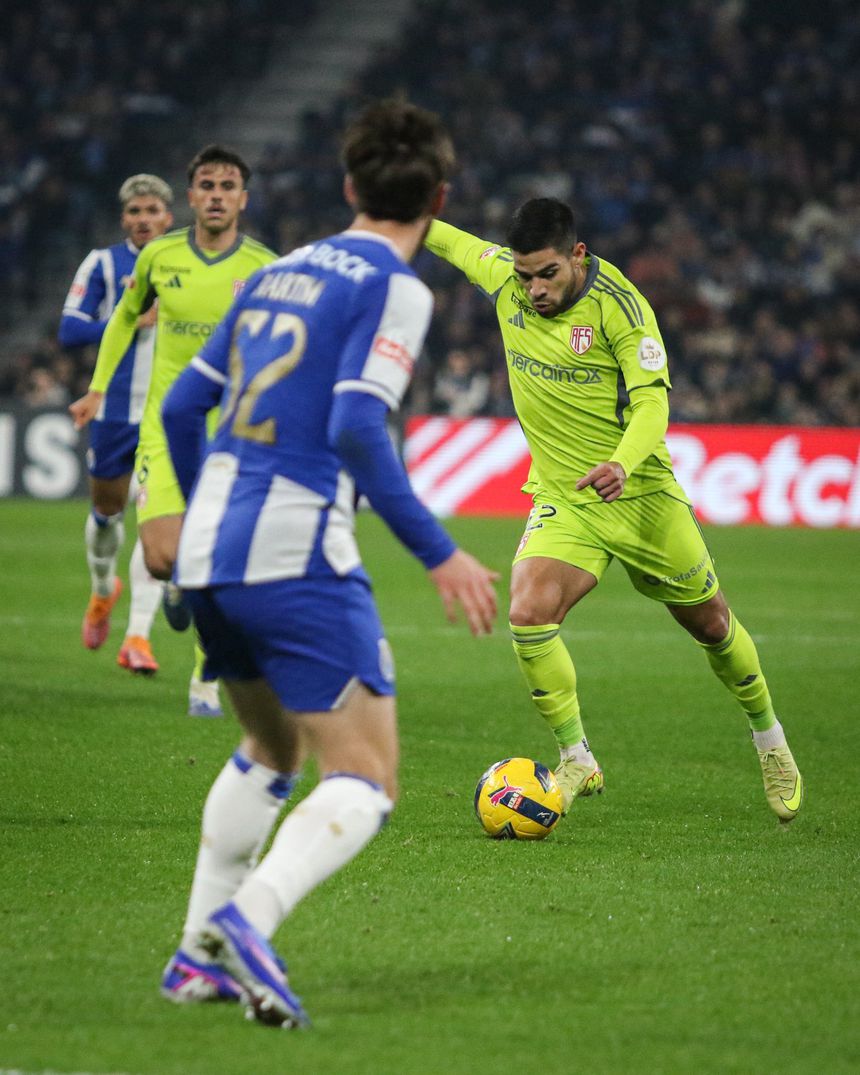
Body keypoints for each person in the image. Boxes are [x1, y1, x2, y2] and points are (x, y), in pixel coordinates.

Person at [157, 99, 498, 1026]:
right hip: (296, 550)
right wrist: (440, 553)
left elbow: (184, 409)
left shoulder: (279, 272)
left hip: (211, 541)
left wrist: (200, 526)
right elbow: (356, 424)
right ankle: (250, 919)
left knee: (269, 748)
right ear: (438, 196)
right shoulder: (397, 285)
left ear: (348, 186)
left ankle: (195, 958)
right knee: (367, 776)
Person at [424, 197, 803, 824]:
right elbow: (448, 241)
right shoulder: (507, 282)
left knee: (711, 625)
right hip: (566, 496)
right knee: (527, 612)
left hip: (641, 495)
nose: (534, 290)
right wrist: (401, 206)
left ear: (577, 255)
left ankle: (769, 737)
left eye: (547, 274)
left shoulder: (622, 306)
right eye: (523, 276)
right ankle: (577, 758)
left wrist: (623, 463)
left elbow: (653, 403)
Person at [70, 146, 277, 716]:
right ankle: (180, 589)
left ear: (242, 198)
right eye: (206, 184)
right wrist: (96, 388)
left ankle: (205, 675)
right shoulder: (160, 256)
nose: (216, 193)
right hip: (165, 430)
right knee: (163, 559)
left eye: (227, 185)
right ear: (189, 198)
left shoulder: (263, 266)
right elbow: (122, 319)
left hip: (234, 433)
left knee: (223, 558)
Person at [60, 174, 174, 673]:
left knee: (153, 520)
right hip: (113, 410)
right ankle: (104, 588)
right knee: (107, 512)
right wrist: (127, 320)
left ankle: (137, 637)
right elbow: (68, 329)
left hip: (168, 414)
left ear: (169, 216)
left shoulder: (186, 264)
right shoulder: (103, 263)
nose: (144, 220)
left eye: (152, 211)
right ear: (124, 218)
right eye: (135, 212)